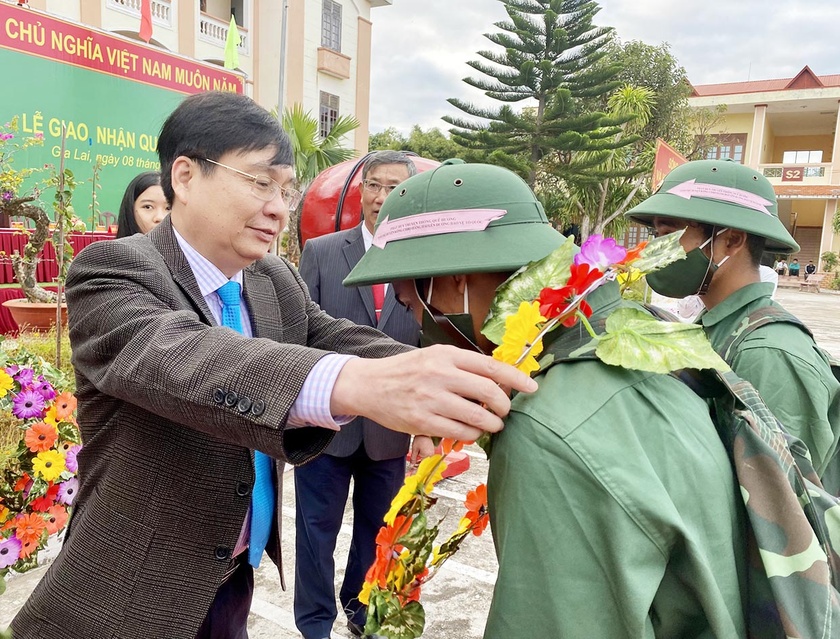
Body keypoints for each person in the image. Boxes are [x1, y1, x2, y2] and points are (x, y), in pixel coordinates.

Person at [10, 93, 536, 639]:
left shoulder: (271, 278)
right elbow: (183, 357)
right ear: (185, 177)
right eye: (261, 183)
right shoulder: (113, 271)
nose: (280, 209)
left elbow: (338, 337)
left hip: (232, 572)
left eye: (287, 190)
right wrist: (362, 384)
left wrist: (451, 375)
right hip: (132, 592)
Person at [346, 160, 750, 637]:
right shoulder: (634, 344)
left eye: (411, 304)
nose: (417, 326)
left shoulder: (546, 430)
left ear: (452, 283)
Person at [626, 159, 840, 493]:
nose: (654, 249)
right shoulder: (713, 327)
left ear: (731, 241)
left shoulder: (769, 353)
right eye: (656, 235)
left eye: (669, 235)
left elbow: (784, 503)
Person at [295, 151, 432, 639]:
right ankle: (314, 624)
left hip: (391, 431)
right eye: (373, 185)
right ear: (361, 192)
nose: (381, 196)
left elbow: (427, 344)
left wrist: (425, 430)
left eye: (394, 187)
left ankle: (360, 609)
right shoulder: (323, 252)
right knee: (316, 533)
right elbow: (298, 336)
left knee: (378, 531)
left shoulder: (423, 259)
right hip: (325, 425)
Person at [116, 170, 170, 237]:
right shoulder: (114, 247)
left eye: (168, 208)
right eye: (148, 207)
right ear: (130, 210)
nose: (160, 218)